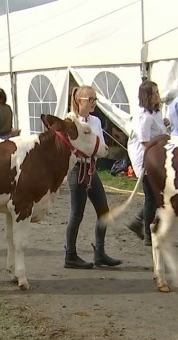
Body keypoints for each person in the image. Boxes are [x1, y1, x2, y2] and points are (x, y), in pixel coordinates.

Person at [63, 85, 122, 269]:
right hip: (77, 169)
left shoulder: (95, 121)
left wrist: (92, 150)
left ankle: (100, 253)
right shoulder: (70, 120)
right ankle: (70, 255)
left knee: (104, 211)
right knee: (76, 214)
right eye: (90, 100)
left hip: (91, 168)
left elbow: (101, 147)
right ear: (79, 101)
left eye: (95, 99)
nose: (94, 103)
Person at [125, 80, 169, 246]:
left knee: (157, 196)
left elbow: (158, 132)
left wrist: (165, 125)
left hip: (156, 155)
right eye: (155, 93)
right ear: (147, 96)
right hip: (145, 157)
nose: (158, 95)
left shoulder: (156, 113)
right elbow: (145, 142)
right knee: (151, 196)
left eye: (158, 92)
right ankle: (147, 231)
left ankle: (138, 223)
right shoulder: (143, 116)